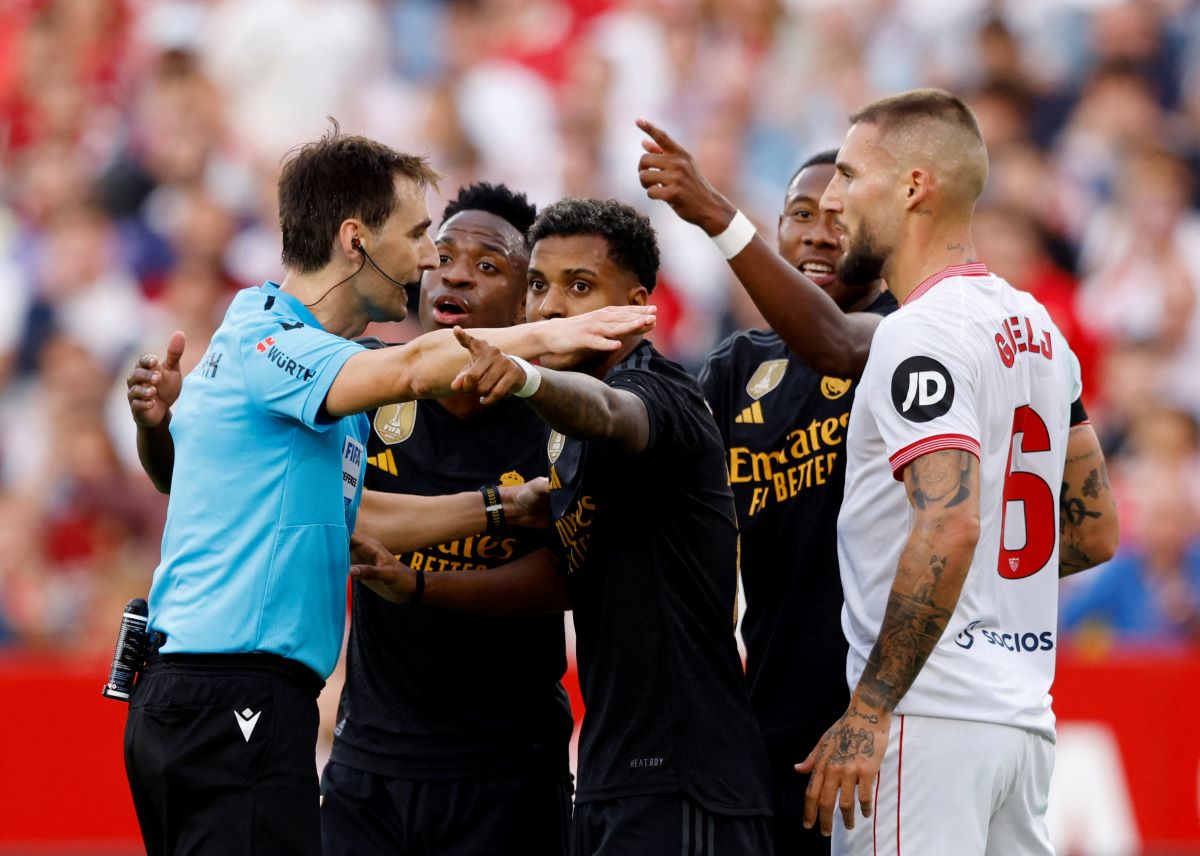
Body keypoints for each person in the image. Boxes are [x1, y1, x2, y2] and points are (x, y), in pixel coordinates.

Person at [120, 126, 655, 856]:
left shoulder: (310, 370)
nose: (432, 261)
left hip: (257, 704)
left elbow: (354, 519)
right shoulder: (278, 345)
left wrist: (498, 506)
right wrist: (557, 340)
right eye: (418, 234)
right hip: (233, 693)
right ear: (355, 239)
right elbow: (412, 370)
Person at [350, 198, 775, 855]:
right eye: (541, 287)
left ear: (636, 304)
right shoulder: (563, 437)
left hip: (682, 780)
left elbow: (615, 414)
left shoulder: (660, 393)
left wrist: (524, 374)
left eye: (580, 288)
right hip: (612, 778)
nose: (549, 309)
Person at [780, 89, 1119, 855]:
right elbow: (1094, 529)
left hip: (921, 726)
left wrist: (869, 710)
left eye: (849, 176)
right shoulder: (1038, 327)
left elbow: (950, 521)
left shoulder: (915, 336)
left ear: (913, 187)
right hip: (1021, 727)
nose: (831, 202)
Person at [639, 135, 896, 853]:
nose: (816, 233)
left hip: (882, 726)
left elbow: (839, 343)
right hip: (767, 726)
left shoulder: (907, 336)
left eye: (838, 216)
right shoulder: (736, 367)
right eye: (799, 213)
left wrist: (718, 216)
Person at [320, 183, 574, 856]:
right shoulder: (364, 385)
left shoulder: (561, 416)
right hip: (370, 764)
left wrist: (421, 585)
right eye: (444, 255)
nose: (455, 273)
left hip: (507, 772)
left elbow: (564, 578)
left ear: (529, 301)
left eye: (488, 266)